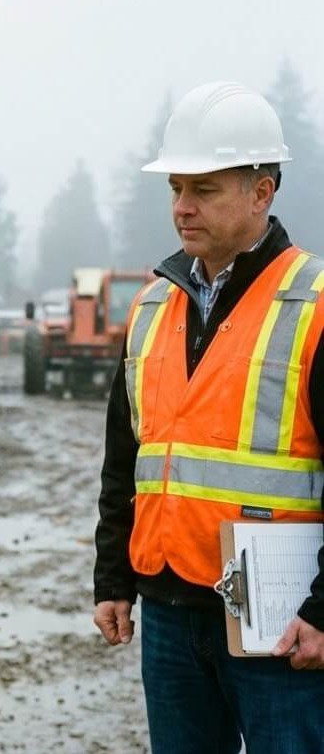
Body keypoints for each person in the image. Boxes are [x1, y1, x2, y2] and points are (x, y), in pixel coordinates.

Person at [93, 82, 324, 753]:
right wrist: (113, 578)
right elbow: (124, 463)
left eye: (204, 190)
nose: (183, 208)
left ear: (262, 193)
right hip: (169, 613)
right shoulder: (151, 308)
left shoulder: (314, 306)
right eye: (175, 190)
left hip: (283, 622)